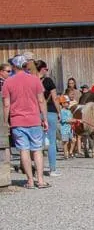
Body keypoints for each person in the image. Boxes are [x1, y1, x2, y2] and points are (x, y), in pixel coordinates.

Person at [3, 54, 48, 188]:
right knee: (37, 150)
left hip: (17, 121)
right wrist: (44, 118)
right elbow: (41, 100)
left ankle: (29, 180)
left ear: (14, 66)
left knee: (24, 150)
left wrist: (6, 122)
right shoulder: (35, 80)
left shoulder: (8, 82)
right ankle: (40, 180)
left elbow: (6, 104)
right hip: (34, 119)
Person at [36, 60, 61, 176]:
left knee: (36, 143)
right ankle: (52, 169)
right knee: (51, 141)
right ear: (42, 69)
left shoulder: (31, 80)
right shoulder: (48, 81)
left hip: (36, 112)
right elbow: (55, 98)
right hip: (50, 111)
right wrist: (59, 112)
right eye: (46, 69)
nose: (47, 71)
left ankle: (37, 170)